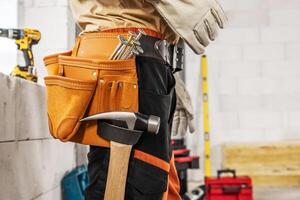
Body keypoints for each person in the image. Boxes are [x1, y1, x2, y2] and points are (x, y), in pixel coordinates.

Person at [68, 0, 227, 199]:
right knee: (132, 185)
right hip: (125, 61)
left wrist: (168, 75)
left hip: (146, 63)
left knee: (157, 183)